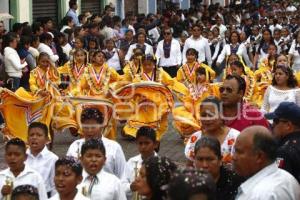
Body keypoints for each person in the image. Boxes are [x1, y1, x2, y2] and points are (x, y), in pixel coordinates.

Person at [233, 126, 300, 200]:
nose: (234, 157)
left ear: (259, 156)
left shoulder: (263, 194)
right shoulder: (288, 178)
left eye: (239, 152)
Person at [66, 108, 126, 179]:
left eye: (93, 127)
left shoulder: (114, 148)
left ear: (102, 126)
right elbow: (67, 173)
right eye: (86, 127)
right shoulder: (74, 147)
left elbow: (123, 176)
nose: (89, 130)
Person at [185, 97, 240, 165]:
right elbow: (189, 167)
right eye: (203, 115)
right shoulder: (195, 138)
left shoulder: (236, 138)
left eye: (211, 115)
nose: (207, 119)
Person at [173, 67, 219, 138]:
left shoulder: (210, 87)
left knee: (200, 116)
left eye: (201, 75)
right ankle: (191, 134)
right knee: (178, 112)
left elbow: (216, 98)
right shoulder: (192, 87)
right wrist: (190, 108)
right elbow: (188, 99)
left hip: (205, 109)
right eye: (197, 75)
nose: (198, 77)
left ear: (206, 75)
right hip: (192, 109)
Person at [265, 102, 300, 183]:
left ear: (288, 125)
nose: (272, 124)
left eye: (276, 121)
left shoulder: (285, 151)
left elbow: (278, 185)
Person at [122, 126, 158, 199]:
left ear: (155, 144)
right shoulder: (131, 162)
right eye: (140, 143)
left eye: (147, 143)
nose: (143, 147)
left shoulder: (161, 165)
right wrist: (130, 187)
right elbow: (121, 185)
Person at [25, 122, 58, 198]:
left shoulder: (52, 159)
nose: (34, 137)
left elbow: (54, 185)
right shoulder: (23, 157)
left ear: (46, 139)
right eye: (31, 135)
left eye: (39, 135)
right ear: (27, 139)